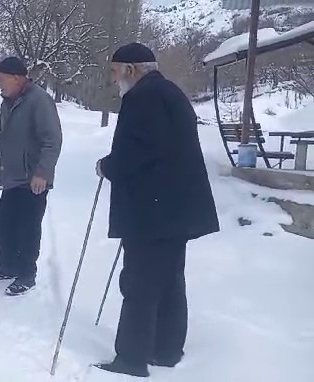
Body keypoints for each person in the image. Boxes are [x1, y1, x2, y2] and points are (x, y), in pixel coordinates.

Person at [93, 43, 219, 378]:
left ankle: (132, 358)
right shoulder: (168, 92)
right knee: (169, 279)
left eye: (115, 70)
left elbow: (137, 152)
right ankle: (166, 349)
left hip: (153, 211)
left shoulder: (143, 98)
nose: (113, 78)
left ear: (132, 69)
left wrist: (108, 166)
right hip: (175, 210)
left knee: (140, 283)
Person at [0, 56, 63, 296]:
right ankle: (8, 265)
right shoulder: (9, 101)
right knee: (4, 222)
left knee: (28, 227)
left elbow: (52, 140)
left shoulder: (39, 101)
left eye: (1, 79)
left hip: (33, 179)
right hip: (13, 176)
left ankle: (26, 274)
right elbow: (5, 134)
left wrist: (42, 172)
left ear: (16, 77)